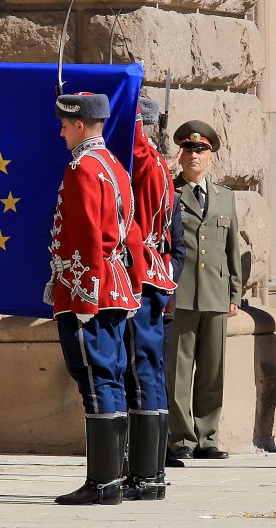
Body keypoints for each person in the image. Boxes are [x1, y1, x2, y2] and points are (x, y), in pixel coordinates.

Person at [44, 92, 144, 505]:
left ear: (81, 125)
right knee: (109, 379)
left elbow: (86, 237)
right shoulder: (115, 165)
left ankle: (103, 484)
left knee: (95, 380)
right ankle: (112, 479)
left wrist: (84, 299)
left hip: (91, 290)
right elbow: (131, 231)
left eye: (66, 125)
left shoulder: (83, 168)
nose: (63, 131)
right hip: (115, 285)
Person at [166, 121, 241, 460]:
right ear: (180, 155)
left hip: (215, 291)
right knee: (179, 369)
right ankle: (182, 439)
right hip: (179, 292)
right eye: (189, 149)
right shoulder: (168, 191)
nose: (194, 155)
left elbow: (230, 246)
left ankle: (207, 437)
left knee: (212, 369)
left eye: (201, 150)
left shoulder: (226, 198)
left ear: (212, 156)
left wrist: (234, 294)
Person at [121, 99, 177, 500]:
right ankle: (148, 472)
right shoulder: (157, 163)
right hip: (151, 272)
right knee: (146, 372)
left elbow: (137, 149)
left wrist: (129, 104)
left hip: (142, 275)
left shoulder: (148, 160)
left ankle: (147, 475)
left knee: (141, 371)